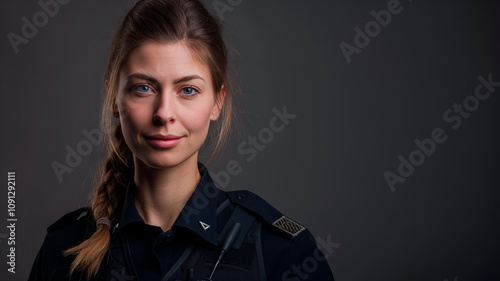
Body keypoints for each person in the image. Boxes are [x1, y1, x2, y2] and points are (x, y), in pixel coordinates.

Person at [28, 0, 335, 280]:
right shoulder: (64, 250)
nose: (164, 113)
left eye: (188, 90)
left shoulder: (280, 251)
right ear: (114, 99)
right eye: (143, 88)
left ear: (217, 102)